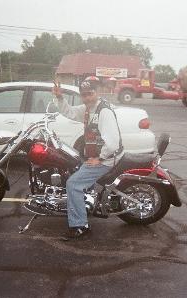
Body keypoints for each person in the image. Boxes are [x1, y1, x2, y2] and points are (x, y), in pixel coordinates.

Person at [52, 80, 123, 239]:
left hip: (107, 159)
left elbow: (112, 142)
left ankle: (79, 226)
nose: (87, 98)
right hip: (100, 156)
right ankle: (86, 200)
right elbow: (69, 112)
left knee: (73, 183)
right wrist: (60, 98)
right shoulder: (87, 109)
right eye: (84, 95)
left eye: (90, 94)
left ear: (97, 93)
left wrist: (100, 158)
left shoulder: (103, 112)